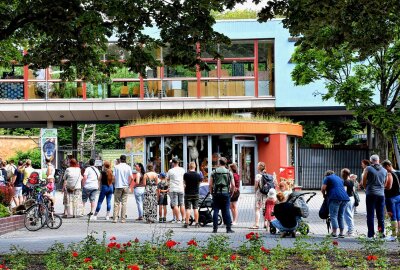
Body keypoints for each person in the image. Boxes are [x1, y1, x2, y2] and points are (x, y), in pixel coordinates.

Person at [362, 154, 388, 238]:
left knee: (370, 214)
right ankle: (381, 234)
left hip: (371, 194)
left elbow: (364, 180)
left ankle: (370, 235)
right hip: (381, 195)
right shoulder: (384, 170)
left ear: (370, 161)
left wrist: (366, 188)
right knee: (380, 215)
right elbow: (385, 183)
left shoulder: (368, 168)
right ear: (378, 160)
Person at [321, 170, 350, 238]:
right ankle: (341, 233)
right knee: (340, 215)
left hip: (335, 197)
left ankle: (334, 233)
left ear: (326, 174)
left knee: (333, 215)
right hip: (345, 198)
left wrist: (324, 195)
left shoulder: (327, 178)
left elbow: (323, 188)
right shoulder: (340, 178)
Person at [209, 157, 235, 233]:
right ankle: (228, 228)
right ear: (225, 163)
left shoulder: (214, 172)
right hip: (225, 193)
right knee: (226, 210)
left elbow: (210, 184)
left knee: (216, 210)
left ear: (219, 163)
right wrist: (231, 192)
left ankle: (215, 229)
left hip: (216, 193)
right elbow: (233, 184)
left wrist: (211, 192)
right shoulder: (229, 172)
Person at [381, 160, 400, 241]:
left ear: (388, 166)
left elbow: (387, 186)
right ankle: (398, 234)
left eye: (384, 167)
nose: (384, 169)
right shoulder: (399, 172)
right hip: (399, 196)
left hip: (390, 197)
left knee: (393, 216)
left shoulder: (389, 174)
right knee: (399, 217)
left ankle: (393, 235)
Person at [113, 155, 133, 223]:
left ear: (120, 159)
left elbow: (114, 177)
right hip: (125, 186)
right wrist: (129, 184)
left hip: (118, 186)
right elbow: (132, 177)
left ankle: (115, 218)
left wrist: (115, 183)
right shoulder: (128, 167)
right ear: (125, 159)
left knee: (116, 202)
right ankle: (123, 219)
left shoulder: (116, 167)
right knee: (124, 203)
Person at [250, 161, 269, 229]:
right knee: (265, 209)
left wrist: (255, 190)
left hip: (259, 194)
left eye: (257, 166)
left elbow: (256, 186)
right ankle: (266, 224)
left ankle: (257, 224)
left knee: (257, 209)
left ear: (259, 167)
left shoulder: (258, 175)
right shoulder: (267, 175)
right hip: (266, 194)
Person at [183, 161, 202, 228]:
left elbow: (184, 183)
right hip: (196, 193)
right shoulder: (198, 175)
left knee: (188, 209)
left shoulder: (186, 174)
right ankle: (197, 223)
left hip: (188, 193)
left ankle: (187, 223)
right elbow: (199, 184)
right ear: (195, 167)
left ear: (189, 166)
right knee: (196, 208)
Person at [167, 157, 186, 223]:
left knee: (175, 205)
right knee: (182, 204)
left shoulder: (170, 171)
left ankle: (178, 219)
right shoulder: (182, 170)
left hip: (173, 189)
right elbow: (184, 179)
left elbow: (168, 179)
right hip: (181, 188)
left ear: (173, 163)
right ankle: (183, 219)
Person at [341, 168, 355, 236]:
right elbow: (354, 190)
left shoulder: (345, 182)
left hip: (347, 199)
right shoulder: (351, 181)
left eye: (342, 173)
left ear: (344, 174)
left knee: (347, 215)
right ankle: (351, 229)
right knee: (351, 214)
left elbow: (344, 191)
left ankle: (351, 231)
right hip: (352, 198)